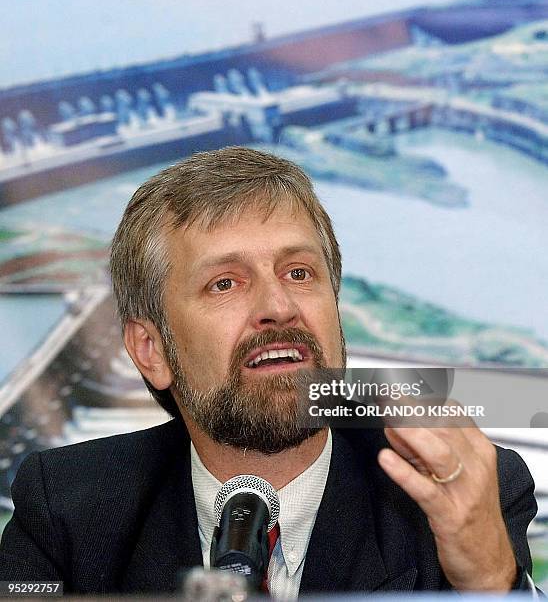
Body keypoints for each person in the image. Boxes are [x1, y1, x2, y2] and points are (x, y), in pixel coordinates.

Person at [0, 147, 541, 598]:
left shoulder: (455, 496)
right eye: (225, 283)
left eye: (299, 272)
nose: (279, 306)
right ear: (151, 350)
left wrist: (491, 582)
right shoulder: (68, 507)